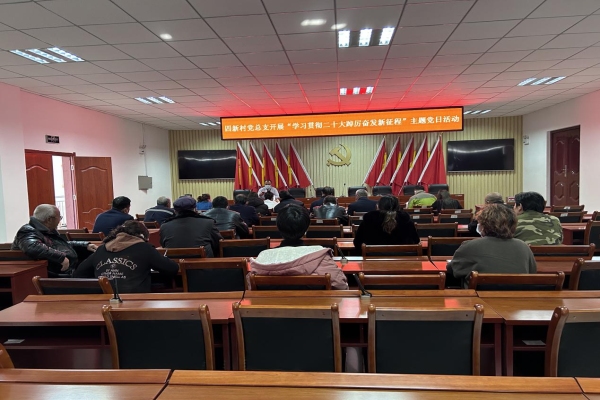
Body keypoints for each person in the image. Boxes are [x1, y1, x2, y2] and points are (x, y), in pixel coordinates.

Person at [250, 205, 348, 290]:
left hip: (270, 306)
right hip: (314, 306)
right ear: (306, 229)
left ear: (278, 228)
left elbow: (250, 287)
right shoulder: (320, 255)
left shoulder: (263, 257)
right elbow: (341, 286)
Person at [446, 204, 537, 288]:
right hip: (516, 297)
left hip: (479, 298)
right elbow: (532, 272)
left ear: (483, 225)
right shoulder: (523, 246)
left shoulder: (470, 246)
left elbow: (453, 270)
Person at [74, 221, 178, 293]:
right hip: (135, 301)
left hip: (104, 300)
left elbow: (79, 273)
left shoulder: (102, 249)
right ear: (142, 237)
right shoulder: (144, 248)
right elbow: (172, 268)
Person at [12, 204, 97, 277]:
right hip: (57, 273)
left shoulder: (45, 230)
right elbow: (32, 247)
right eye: (59, 217)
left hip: (67, 269)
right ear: (49, 219)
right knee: (97, 260)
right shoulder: (27, 231)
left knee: (97, 255)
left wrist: (85, 245)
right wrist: (60, 258)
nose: (60, 220)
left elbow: (58, 244)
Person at [354, 196, 420, 250]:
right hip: (404, 258)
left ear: (378, 206)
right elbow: (416, 241)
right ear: (398, 207)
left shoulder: (368, 220)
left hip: (373, 258)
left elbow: (357, 243)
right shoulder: (406, 220)